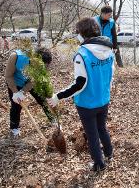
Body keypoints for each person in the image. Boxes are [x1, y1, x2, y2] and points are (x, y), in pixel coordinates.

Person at [47, 17, 114, 172]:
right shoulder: (108, 50)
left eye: (77, 32)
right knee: (102, 128)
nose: (77, 35)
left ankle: (99, 164)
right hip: (103, 100)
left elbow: (80, 84)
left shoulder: (82, 54)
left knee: (92, 135)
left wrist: (58, 97)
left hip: (87, 104)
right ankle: (109, 153)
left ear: (83, 33)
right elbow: (111, 76)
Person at [5, 47, 54, 138]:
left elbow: (34, 81)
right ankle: (14, 129)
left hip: (29, 81)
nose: (42, 67)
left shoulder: (43, 64)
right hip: (15, 82)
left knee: (42, 99)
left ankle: (52, 119)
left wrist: (23, 91)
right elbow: (8, 76)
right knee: (16, 106)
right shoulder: (16, 57)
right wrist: (16, 92)